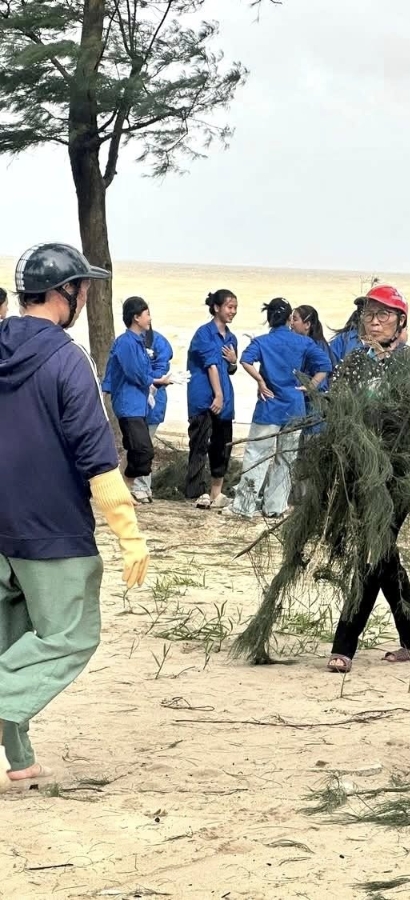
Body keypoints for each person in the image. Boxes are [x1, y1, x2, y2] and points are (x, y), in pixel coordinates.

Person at [0, 243, 149, 793]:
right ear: (67, 294)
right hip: (51, 527)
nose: (87, 296)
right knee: (70, 636)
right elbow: (96, 456)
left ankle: (19, 761)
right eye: (83, 287)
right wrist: (129, 535)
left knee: (9, 640)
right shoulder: (67, 359)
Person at [327, 285, 410, 671]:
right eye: (369, 313)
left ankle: (344, 643)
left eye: (383, 313)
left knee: (372, 551)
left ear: (401, 321)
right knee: (383, 552)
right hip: (361, 470)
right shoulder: (353, 363)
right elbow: (337, 411)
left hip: (401, 474)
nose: (373, 320)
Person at [227, 298, 330, 520]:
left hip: (269, 404)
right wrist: (311, 386)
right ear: (288, 318)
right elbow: (325, 366)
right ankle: (275, 506)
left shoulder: (263, 341)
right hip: (294, 406)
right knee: (286, 459)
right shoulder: (303, 342)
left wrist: (260, 381)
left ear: (269, 318)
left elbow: (245, 360)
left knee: (256, 454)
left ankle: (245, 506)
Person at [185, 290, 239, 509]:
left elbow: (229, 369)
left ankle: (216, 493)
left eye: (235, 307)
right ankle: (197, 493)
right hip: (205, 398)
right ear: (217, 308)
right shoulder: (203, 334)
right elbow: (211, 366)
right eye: (229, 307)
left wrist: (234, 361)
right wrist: (217, 395)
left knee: (221, 446)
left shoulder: (231, 337)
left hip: (225, 399)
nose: (233, 311)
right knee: (199, 445)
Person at [101, 297, 156, 493]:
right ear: (136, 317)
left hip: (138, 403)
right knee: (142, 451)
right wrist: (155, 380)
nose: (150, 318)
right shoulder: (126, 343)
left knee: (136, 450)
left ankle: (123, 490)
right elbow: (136, 373)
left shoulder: (139, 342)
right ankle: (121, 489)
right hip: (128, 403)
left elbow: (146, 370)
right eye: (147, 314)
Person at [132, 324, 176, 503]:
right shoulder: (128, 341)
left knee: (144, 444)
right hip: (133, 400)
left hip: (153, 402)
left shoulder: (159, 343)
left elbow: (161, 369)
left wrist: (152, 382)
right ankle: (140, 486)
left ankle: (141, 487)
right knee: (137, 444)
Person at [329, 296, 366, 368]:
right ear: (360, 316)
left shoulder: (390, 341)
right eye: (369, 314)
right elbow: (327, 368)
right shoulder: (343, 340)